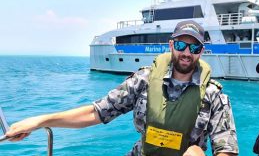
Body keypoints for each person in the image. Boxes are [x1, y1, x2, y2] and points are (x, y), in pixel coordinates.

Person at [5, 20, 239, 156]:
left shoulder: (214, 96)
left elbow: (225, 150)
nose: (187, 53)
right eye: (181, 44)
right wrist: (41, 121)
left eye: (194, 48)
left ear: (202, 51)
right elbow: (96, 112)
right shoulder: (144, 81)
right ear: (171, 45)